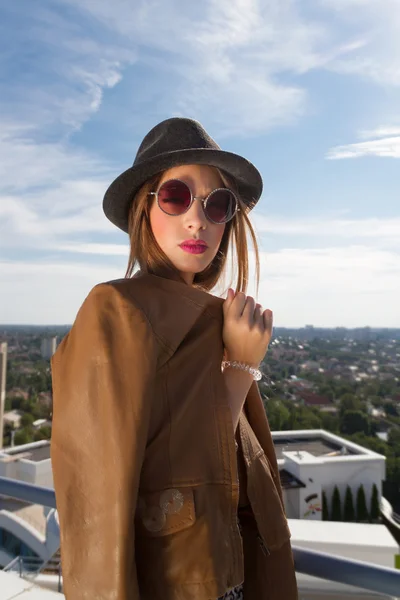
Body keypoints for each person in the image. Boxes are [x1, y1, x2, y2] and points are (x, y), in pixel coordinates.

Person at [50, 117, 298, 600]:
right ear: (144, 209)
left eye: (218, 204)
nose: (197, 218)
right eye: (176, 196)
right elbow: (95, 504)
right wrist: (242, 369)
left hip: (232, 576)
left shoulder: (214, 322)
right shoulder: (117, 310)